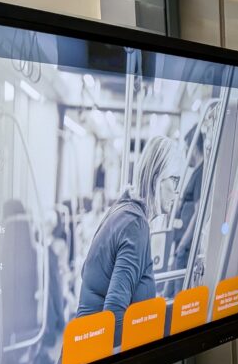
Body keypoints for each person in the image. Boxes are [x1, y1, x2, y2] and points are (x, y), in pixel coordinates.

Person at [76, 136, 182, 347]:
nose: (177, 190)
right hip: (95, 354)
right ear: (157, 177)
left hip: (84, 349)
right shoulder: (136, 225)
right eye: (175, 180)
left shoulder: (124, 208)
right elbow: (114, 318)